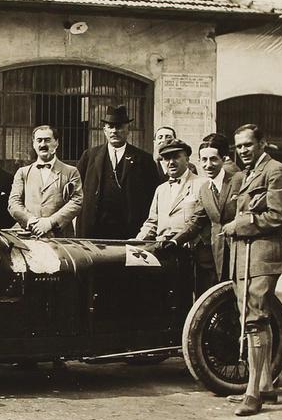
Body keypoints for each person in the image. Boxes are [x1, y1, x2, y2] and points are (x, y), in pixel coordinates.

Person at [221, 124, 282, 417]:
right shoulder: (247, 175)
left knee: (254, 319)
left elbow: (277, 215)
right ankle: (265, 384)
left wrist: (238, 225)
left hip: (263, 254)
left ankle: (251, 393)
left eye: (248, 145)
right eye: (239, 147)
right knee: (254, 317)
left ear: (263, 143)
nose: (243, 151)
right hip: (245, 255)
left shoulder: (276, 171)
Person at [171, 135, 243, 289]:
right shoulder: (204, 189)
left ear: (223, 159)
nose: (208, 165)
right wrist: (175, 241)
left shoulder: (238, 180)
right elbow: (197, 220)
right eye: (203, 160)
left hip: (241, 252)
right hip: (218, 254)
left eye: (213, 159)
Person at [75, 106, 157, 240]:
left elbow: (153, 196)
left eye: (119, 127)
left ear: (127, 130)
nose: (114, 131)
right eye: (110, 127)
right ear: (104, 130)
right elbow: (76, 191)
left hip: (130, 230)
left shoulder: (143, 159)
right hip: (94, 229)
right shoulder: (89, 156)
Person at [136, 141, 210, 282]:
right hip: (164, 254)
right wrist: (138, 241)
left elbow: (202, 221)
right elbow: (152, 223)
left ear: (187, 159)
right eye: (166, 158)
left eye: (176, 157)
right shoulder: (161, 189)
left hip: (192, 256)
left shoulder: (202, 184)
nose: (170, 162)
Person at [9, 125, 83, 238]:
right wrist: (31, 221)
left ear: (56, 143)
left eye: (47, 140)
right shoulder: (23, 172)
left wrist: (50, 222)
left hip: (60, 237)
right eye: (39, 140)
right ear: (34, 144)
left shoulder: (71, 172)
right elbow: (14, 203)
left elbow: (77, 201)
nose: (43, 144)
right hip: (29, 235)